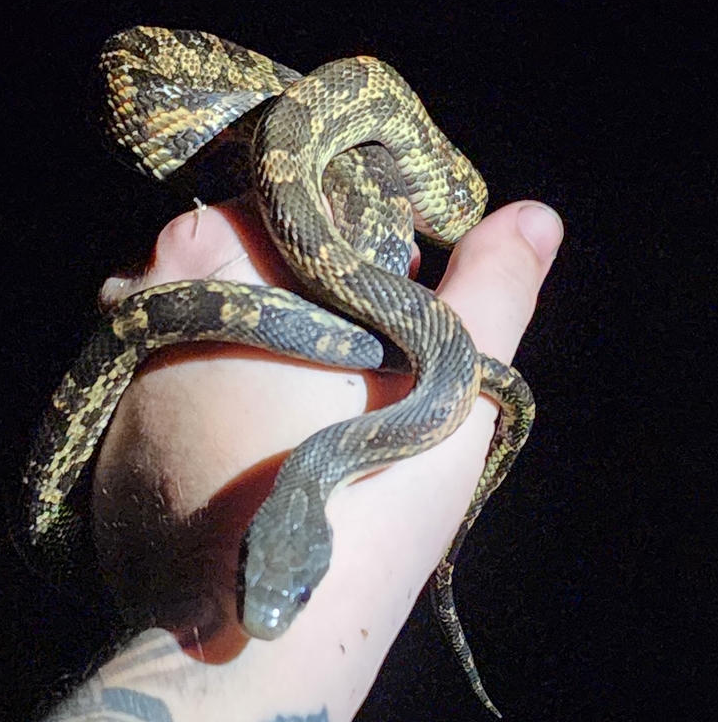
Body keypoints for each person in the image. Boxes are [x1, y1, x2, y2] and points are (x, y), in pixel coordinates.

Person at [45, 196, 563, 722]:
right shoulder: (426, 396)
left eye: (242, 575)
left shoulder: (352, 448)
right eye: (303, 592)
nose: (264, 621)